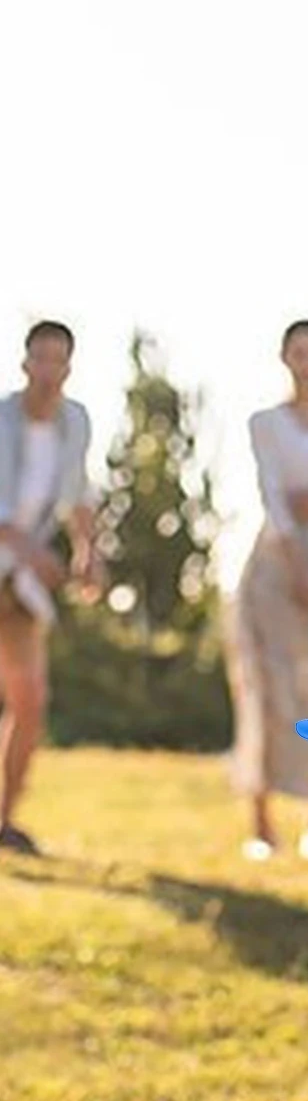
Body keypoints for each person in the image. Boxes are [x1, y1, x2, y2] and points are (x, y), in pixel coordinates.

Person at [225, 319, 308, 862]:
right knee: (267, 686)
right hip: (275, 562)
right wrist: (297, 560)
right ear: (285, 357)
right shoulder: (265, 424)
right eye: (299, 352)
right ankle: (260, 822)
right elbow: (274, 497)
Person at [0, 321, 102, 856]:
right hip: (13, 559)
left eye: (58, 361)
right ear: (24, 365)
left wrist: (88, 552)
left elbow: (78, 493)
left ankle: (3, 821)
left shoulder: (74, 422)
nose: (48, 372)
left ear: (69, 368)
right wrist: (34, 552)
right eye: (39, 359)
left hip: (19, 585)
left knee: (29, 699)